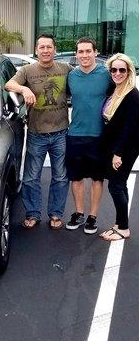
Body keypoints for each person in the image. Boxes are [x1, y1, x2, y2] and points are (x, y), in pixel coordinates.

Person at [5, 34, 72, 229]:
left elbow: (81, 82)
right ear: (36, 50)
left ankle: (56, 214)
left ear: (55, 49)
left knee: (60, 177)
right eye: (41, 47)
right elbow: (9, 84)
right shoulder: (27, 70)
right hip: (36, 133)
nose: (45, 50)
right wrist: (24, 90)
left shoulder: (65, 69)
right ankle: (33, 213)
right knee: (31, 177)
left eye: (49, 47)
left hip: (61, 133)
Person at [65, 37, 113, 234]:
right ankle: (79, 213)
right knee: (75, 178)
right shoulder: (71, 76)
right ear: (76, 55)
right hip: (75, 134)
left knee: (96, 179)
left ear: (95, 52)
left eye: (88, 51)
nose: (84, 55)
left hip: (99, 136)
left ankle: (92, 216)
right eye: (81, 52)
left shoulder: (107, 75)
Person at [99, 54, 139, 241]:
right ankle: (120, 223)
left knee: (115, 186)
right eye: (113, 69)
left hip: (125, 148)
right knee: (120, 184)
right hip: (116, 146)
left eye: (122, 70)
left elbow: (130, 127)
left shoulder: (132, 95)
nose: (117, 73)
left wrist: (118, 153)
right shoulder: (116, 90)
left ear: (129, 71)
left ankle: (123, 228)